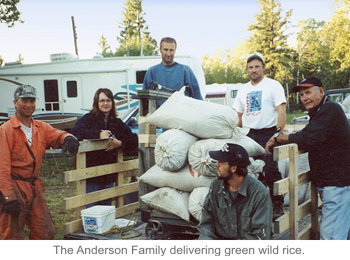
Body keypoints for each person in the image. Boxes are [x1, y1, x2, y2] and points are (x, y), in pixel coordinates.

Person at [265, 77, 350, 240]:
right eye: (302, 95)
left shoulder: (330, 109)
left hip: (337, 186)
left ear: (322, 92)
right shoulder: (320, 112)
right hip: (335, 185)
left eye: (308, 92)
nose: (305, 98)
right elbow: (309, 134)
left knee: (331, 238)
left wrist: (277, 138)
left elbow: (307, 137)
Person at [0, 85, 79, 240]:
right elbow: (1, 167)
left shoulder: (40, 127)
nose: (28, 104)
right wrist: (8, 196)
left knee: (44, 231)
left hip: (35, 186)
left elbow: (57, 135)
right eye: (24, 100)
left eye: (32, 100)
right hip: (14, 186)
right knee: (12, 235)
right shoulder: (6, 130)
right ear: (15, 102)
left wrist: (68, 138)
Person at [232, 52, 286, 219]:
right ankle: (255, 205)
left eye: (257, 66)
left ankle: (277, 203)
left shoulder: (273, 85)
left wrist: (277, 134)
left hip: (268, 132)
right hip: (248, 134)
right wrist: (234, 135)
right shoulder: (243, 90)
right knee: (248, 170)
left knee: (270, 169)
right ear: (247, 70)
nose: (253, 70)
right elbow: (238, 116)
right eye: (250, 67)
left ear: (263, 68)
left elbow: (281, 110)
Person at [70, 88, 138, 206]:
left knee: (106, 211)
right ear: (96, 103)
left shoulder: (116, 122)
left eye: (108, 100)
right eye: (102, 101)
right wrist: (97, 135)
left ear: (112, 102)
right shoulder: (88, 119)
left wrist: (120, 143)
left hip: (108, 176)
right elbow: (74, 134)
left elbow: (134, 139)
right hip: (90, 175)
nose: (105, 103)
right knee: (91, 210)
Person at [198, 143, 272, 240]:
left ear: (233, 168)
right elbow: (206, 224)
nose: (216, 164)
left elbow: (259, 236)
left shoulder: (259, 193)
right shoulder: (216, 186)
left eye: (220, 161)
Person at [143, 37, 203, 106]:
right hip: (159, 115)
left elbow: (198, 98)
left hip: (182, 114)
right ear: (160, 50)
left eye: (171, 50)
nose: (168, 54)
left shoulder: (186, 71)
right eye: (165, 50)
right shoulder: (151, 72)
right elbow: (145, 100)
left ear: (175, 51)